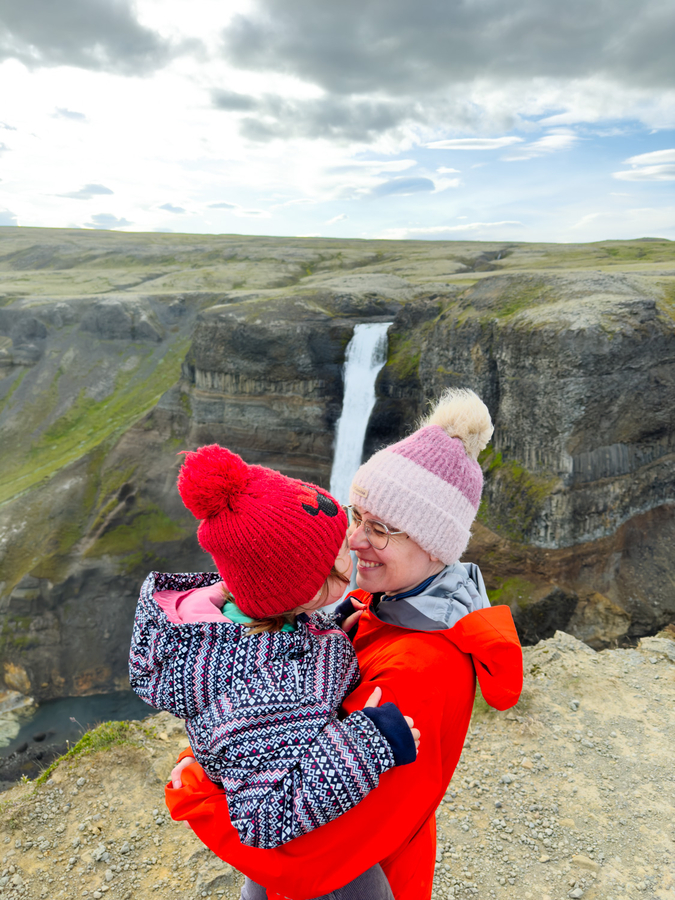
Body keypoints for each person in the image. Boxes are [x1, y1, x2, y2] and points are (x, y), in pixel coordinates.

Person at [166, 389, 524, 900]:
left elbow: (310, 845)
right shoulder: (377, 607)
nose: (354, 542)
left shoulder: (416, 670)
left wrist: (203, 786)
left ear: (434, 543)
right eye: (357, 516)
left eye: (379, 529)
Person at [129, 444, 419, 855]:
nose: (354, 546)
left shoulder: (256, 618)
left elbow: (286, 644)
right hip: (317, 865)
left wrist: (331, 633)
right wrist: (368, 741)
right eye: (337, 558)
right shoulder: (263, 694)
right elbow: (264, 817)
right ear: (300, 591)